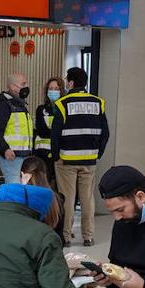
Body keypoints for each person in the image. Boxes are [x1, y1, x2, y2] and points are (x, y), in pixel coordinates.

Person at [51, 67, 110, 246]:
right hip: (89, 160)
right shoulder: (98, 103)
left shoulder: (63, 104)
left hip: (66, 160)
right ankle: (88, 236)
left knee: (67, 199)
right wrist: (97, 153)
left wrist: (55, 156)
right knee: (87, 199)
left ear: (70, 83)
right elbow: (105, 133)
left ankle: (66, 237)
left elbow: (55, 134)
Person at [0, 72, 34, 185]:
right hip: (11, 157)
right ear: (13, 86)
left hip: (23, 156)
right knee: (14, 190)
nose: (26, 86)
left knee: (20, 190)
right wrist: (5, 149)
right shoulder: (4, 105)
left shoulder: (20, 105)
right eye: (23, 84)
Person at [20, 155, 65, 244]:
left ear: (22, 174)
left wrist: (24, 188)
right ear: (45, 174)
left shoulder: (22, 200)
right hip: (52, 250)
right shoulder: (57, 200)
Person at [33, 76, 65, 185]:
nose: (53, 91)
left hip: (61, 154)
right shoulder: (41, 109)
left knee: (60, 186)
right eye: (50, 88)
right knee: (43, 184)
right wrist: (57, 132)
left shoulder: (65, 109)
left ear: (61, 91)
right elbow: (42, 131)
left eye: (56, 89)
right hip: (42, 154)